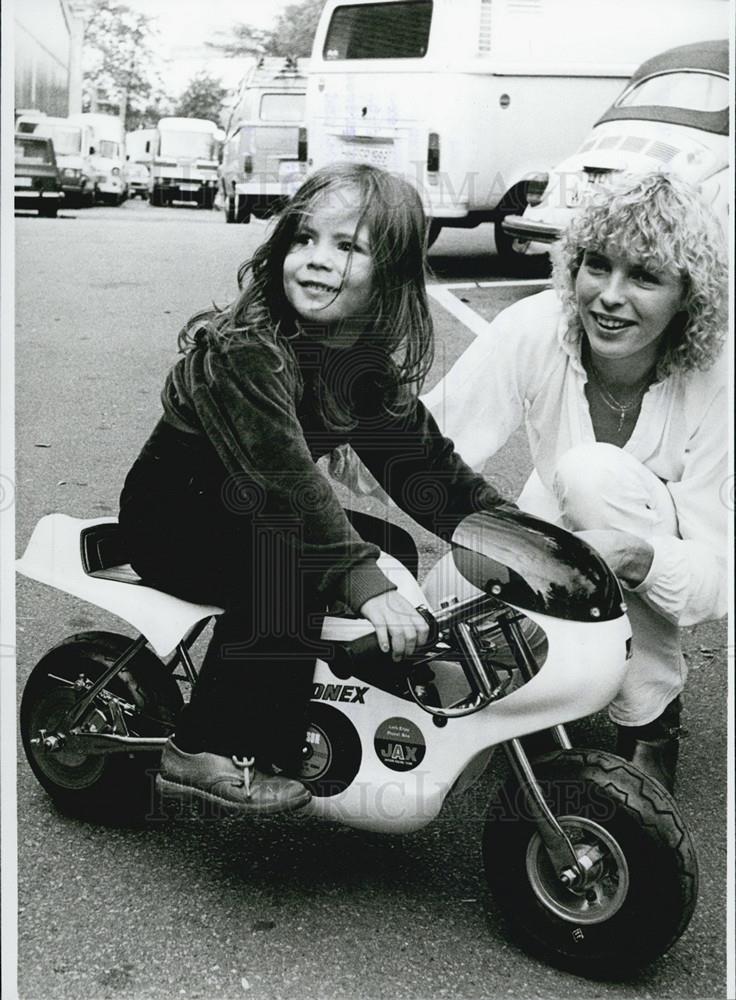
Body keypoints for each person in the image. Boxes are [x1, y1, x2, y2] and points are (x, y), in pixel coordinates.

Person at [118, 162, 509, 815]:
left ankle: (321, 702)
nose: (316, 259)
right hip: (173, 518)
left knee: (387, 547)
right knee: (291, 568)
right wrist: (362, 582)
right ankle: (206, 742)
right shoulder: (248, 348)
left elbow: (428, 472)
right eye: (304, 238)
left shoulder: (355, 361)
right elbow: (284, 479)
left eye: (347, 246)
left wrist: (516, 536)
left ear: (389, 272)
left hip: (245, 512)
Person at [422, 171, 728, 793]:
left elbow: (716, 581)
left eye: (644, 277)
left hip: (653, 541)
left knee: (593, 473)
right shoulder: (537, 326)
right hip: (553, 513)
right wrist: (314, 439)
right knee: (437, 629)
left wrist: (636, 556)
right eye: (597, 266)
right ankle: (545, 694)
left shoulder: (719, 377)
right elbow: (428, 443)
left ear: (687, 297)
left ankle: (648, 720)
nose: (609, 296)